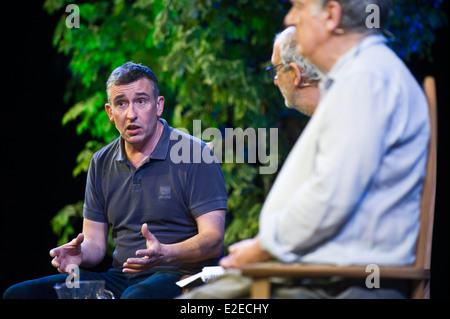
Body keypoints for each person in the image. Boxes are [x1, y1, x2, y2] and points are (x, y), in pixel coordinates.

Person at [184, 0, 430, 299]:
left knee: (197, 304)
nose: (289, 17)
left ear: (331, 15)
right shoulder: (358, 76)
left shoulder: (366, 79)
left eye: (298, 7)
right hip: (316, 277)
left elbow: (330, 199)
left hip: (335, 286)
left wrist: (260, 250)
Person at [3, 62, 228, 299]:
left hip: (181, 274)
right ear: (110, 113)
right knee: (22, 294)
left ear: (158, 106)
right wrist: (80, 255)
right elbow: (95, 245)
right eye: (121, 103)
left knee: (136, 296)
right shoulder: (100, 162)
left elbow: (213, 240)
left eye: (141, 101)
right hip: (121, 277)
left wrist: (166, 253)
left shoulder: (195, 154)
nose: (131, 114)